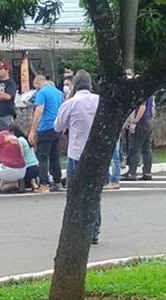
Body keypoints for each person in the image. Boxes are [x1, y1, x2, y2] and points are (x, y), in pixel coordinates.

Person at [54, 70, 102, 245]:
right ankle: (94, 229)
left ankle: (75, 228)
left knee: (74, 193)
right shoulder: (99, 101)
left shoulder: (71, 103)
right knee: (94, 193)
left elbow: (58, 126)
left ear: (73, 86)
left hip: (76, 153)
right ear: (90, 85)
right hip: (97, 154)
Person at [29, 75, 64, 193]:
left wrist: (32, 130)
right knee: (55, 156)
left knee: (42, 156)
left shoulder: (42, 92)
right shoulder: (59, 93)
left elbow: (39, 110)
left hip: (45, 127)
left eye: (36, 87)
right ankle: (58, 181)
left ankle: (43, 184)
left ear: (38, 84)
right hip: (56, 127)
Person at [122, 96, 154, 181]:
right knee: (147, 148)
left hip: (141, 121)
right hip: (148, 120)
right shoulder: (150, 94)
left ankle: (132, 173)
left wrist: (135, 121)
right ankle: (147, 172)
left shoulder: (142, 93)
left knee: (135, 148)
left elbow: (142, 107)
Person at [9, 124, 39, 191]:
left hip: (28, 169)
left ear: (13, 133)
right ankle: (33, 181)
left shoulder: (19, 141)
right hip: (35, 166)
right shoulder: (26, 138)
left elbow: (21, 156)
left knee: (18, 167)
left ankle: (22, 185)